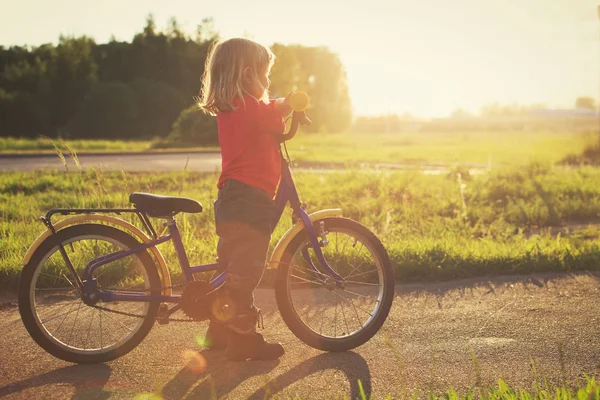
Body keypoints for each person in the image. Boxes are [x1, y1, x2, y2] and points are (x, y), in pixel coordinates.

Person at [197, 38, 292, 361]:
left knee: (229, 266)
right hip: (250, 199)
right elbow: (271, 116)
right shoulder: (248, 107)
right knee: (246, 269)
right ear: (249, 74)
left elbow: (267, 113)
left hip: (235, 197)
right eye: (265, 74)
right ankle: (243, 339)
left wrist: (280, 104)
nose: (267, 82)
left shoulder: (234, 106)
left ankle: (219, 331)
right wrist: (290, 104)